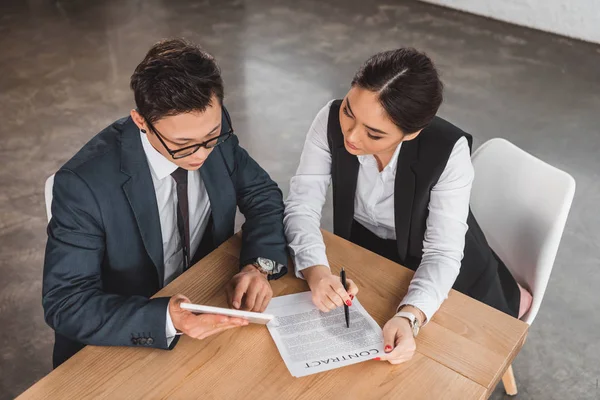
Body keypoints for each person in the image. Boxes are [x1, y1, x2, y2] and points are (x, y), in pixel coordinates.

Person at [42, 38, 288, 368]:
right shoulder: (83, 185)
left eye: (211, 137)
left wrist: (258, 266)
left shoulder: (210, 129)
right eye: (182, 145)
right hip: (124, 338)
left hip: (208, 302)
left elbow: (262, 196)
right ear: (140, 121)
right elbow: (66, 303)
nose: (202, 154)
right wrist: (167, 319)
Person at [284, 48, 532, 365]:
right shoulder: (331, 120)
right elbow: (301, 206)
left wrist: (410, 316)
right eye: (349, 111)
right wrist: (316, 272)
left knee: (449, 358)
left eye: (373, 133)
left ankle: (513, 294)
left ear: (412, 132)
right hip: (369, 249)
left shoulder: (448, 151)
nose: (352, 136)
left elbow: (442, 252)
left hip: (443, 262)